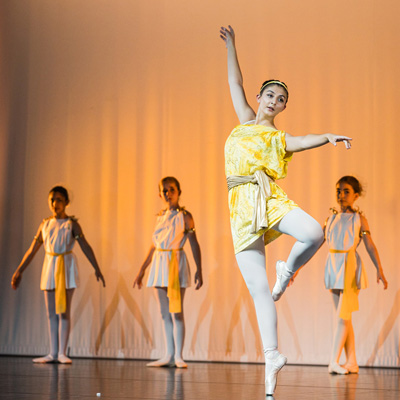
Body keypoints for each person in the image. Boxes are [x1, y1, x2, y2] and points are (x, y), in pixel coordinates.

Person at [220, 25, 352, 395]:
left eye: (280, 100)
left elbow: (302, 141)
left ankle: (287, 271)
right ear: (259, 97)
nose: (273, 101)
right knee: (259, 290)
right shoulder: (244, 121)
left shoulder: (278, 138)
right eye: (270, 95)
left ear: (282, 108)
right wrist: (231, 45)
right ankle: (272, 355)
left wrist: (327, 137)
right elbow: (234, 82)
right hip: (241, 210)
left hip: (268, 199)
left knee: (313, 232)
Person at [11, 186, 105, 364]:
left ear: (66, 202)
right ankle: (53, 352)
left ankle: (62, 352)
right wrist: (19, 270)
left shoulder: (72, 225)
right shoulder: (45, 225)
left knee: (64, 311)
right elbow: (32, 249)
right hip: (50, 266)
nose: (55, 203)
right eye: (52, 200)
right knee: (51, 313)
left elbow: (85, 246)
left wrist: (96, 268)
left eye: (59, 200)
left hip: (66, 267)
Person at [133, 177, 203, 368]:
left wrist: (199, 269)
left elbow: (194, 243)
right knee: (164, 313)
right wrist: (142, 270)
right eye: (164, 190)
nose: (168, 193)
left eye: (171, 189)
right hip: (159, 263)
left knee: (176, 311)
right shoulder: (160, 216)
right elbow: (154, 246)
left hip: (175, 263)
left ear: (179, 192)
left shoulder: (185, 216)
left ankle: (179, 356)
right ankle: (168, 354)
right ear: (159, 194)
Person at [323, 176, 388, 374]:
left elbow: (369, 245)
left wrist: (379, 268)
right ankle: (352, 361)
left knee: (343, 317)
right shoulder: (330, 219)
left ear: (356, 196)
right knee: (343, 318)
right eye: (338, 191)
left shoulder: (359, 219)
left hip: (350, 267)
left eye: (346, 191)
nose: (341, 195)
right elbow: (314, 244)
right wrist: (297, 268)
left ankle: (333, 361)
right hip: (333, 266)